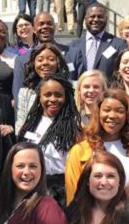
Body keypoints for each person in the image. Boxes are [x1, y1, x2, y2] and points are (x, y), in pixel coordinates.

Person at [66, 89, 129, 205]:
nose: (112, 116)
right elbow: (73, 196)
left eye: (119, 111)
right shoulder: (79, 151)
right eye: (106, 110)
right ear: (98, 113)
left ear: (127, 115)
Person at [17, 75, 80, 206]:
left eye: (58, 95)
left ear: (66, 97)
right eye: (47, 94)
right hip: (31, 186)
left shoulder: (73, 128)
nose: (52, 99)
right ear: (39, 97)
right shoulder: (31, 124)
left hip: (61, 192)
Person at [0, 143, 67, 224]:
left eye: (33, 166)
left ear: (41, 169)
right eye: (20, 166)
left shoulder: (48, 209)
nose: (26, 172)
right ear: (10, 168)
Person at [66, 152, 129, 224]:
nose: (104, 182)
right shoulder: (73, 212)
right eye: (98, 176)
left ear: (120, 182)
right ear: (88, 180)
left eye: (110, 176)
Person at [14, 44, 71, 130]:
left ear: (58, 62)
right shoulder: (25, 92)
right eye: (40, 60)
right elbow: (20, 126)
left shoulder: (71, 89)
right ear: (33, 64)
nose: (45, 63)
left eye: (51, 59)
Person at [67, 3, 128, 79]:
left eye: (100, 17)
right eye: (92, 16)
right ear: (85, 19)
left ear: (106, 19)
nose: (96, 19)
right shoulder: (72, 46)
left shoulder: (118, 44)